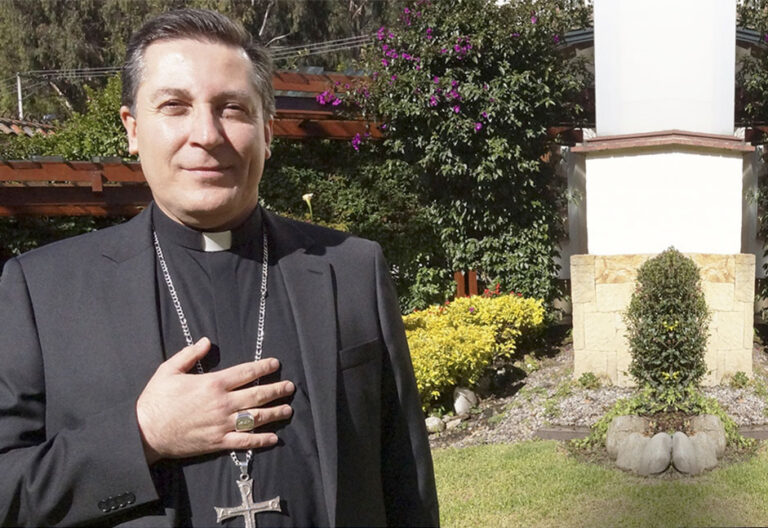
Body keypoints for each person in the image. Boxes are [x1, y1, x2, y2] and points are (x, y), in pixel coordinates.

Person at [0, 8, 438, 528]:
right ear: (133, 129)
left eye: (232, 108)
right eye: (175, 106)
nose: (206, 135)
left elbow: (406, 483)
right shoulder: (41, 291)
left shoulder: (352, 270)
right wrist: (142, 434)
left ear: (266, 132)